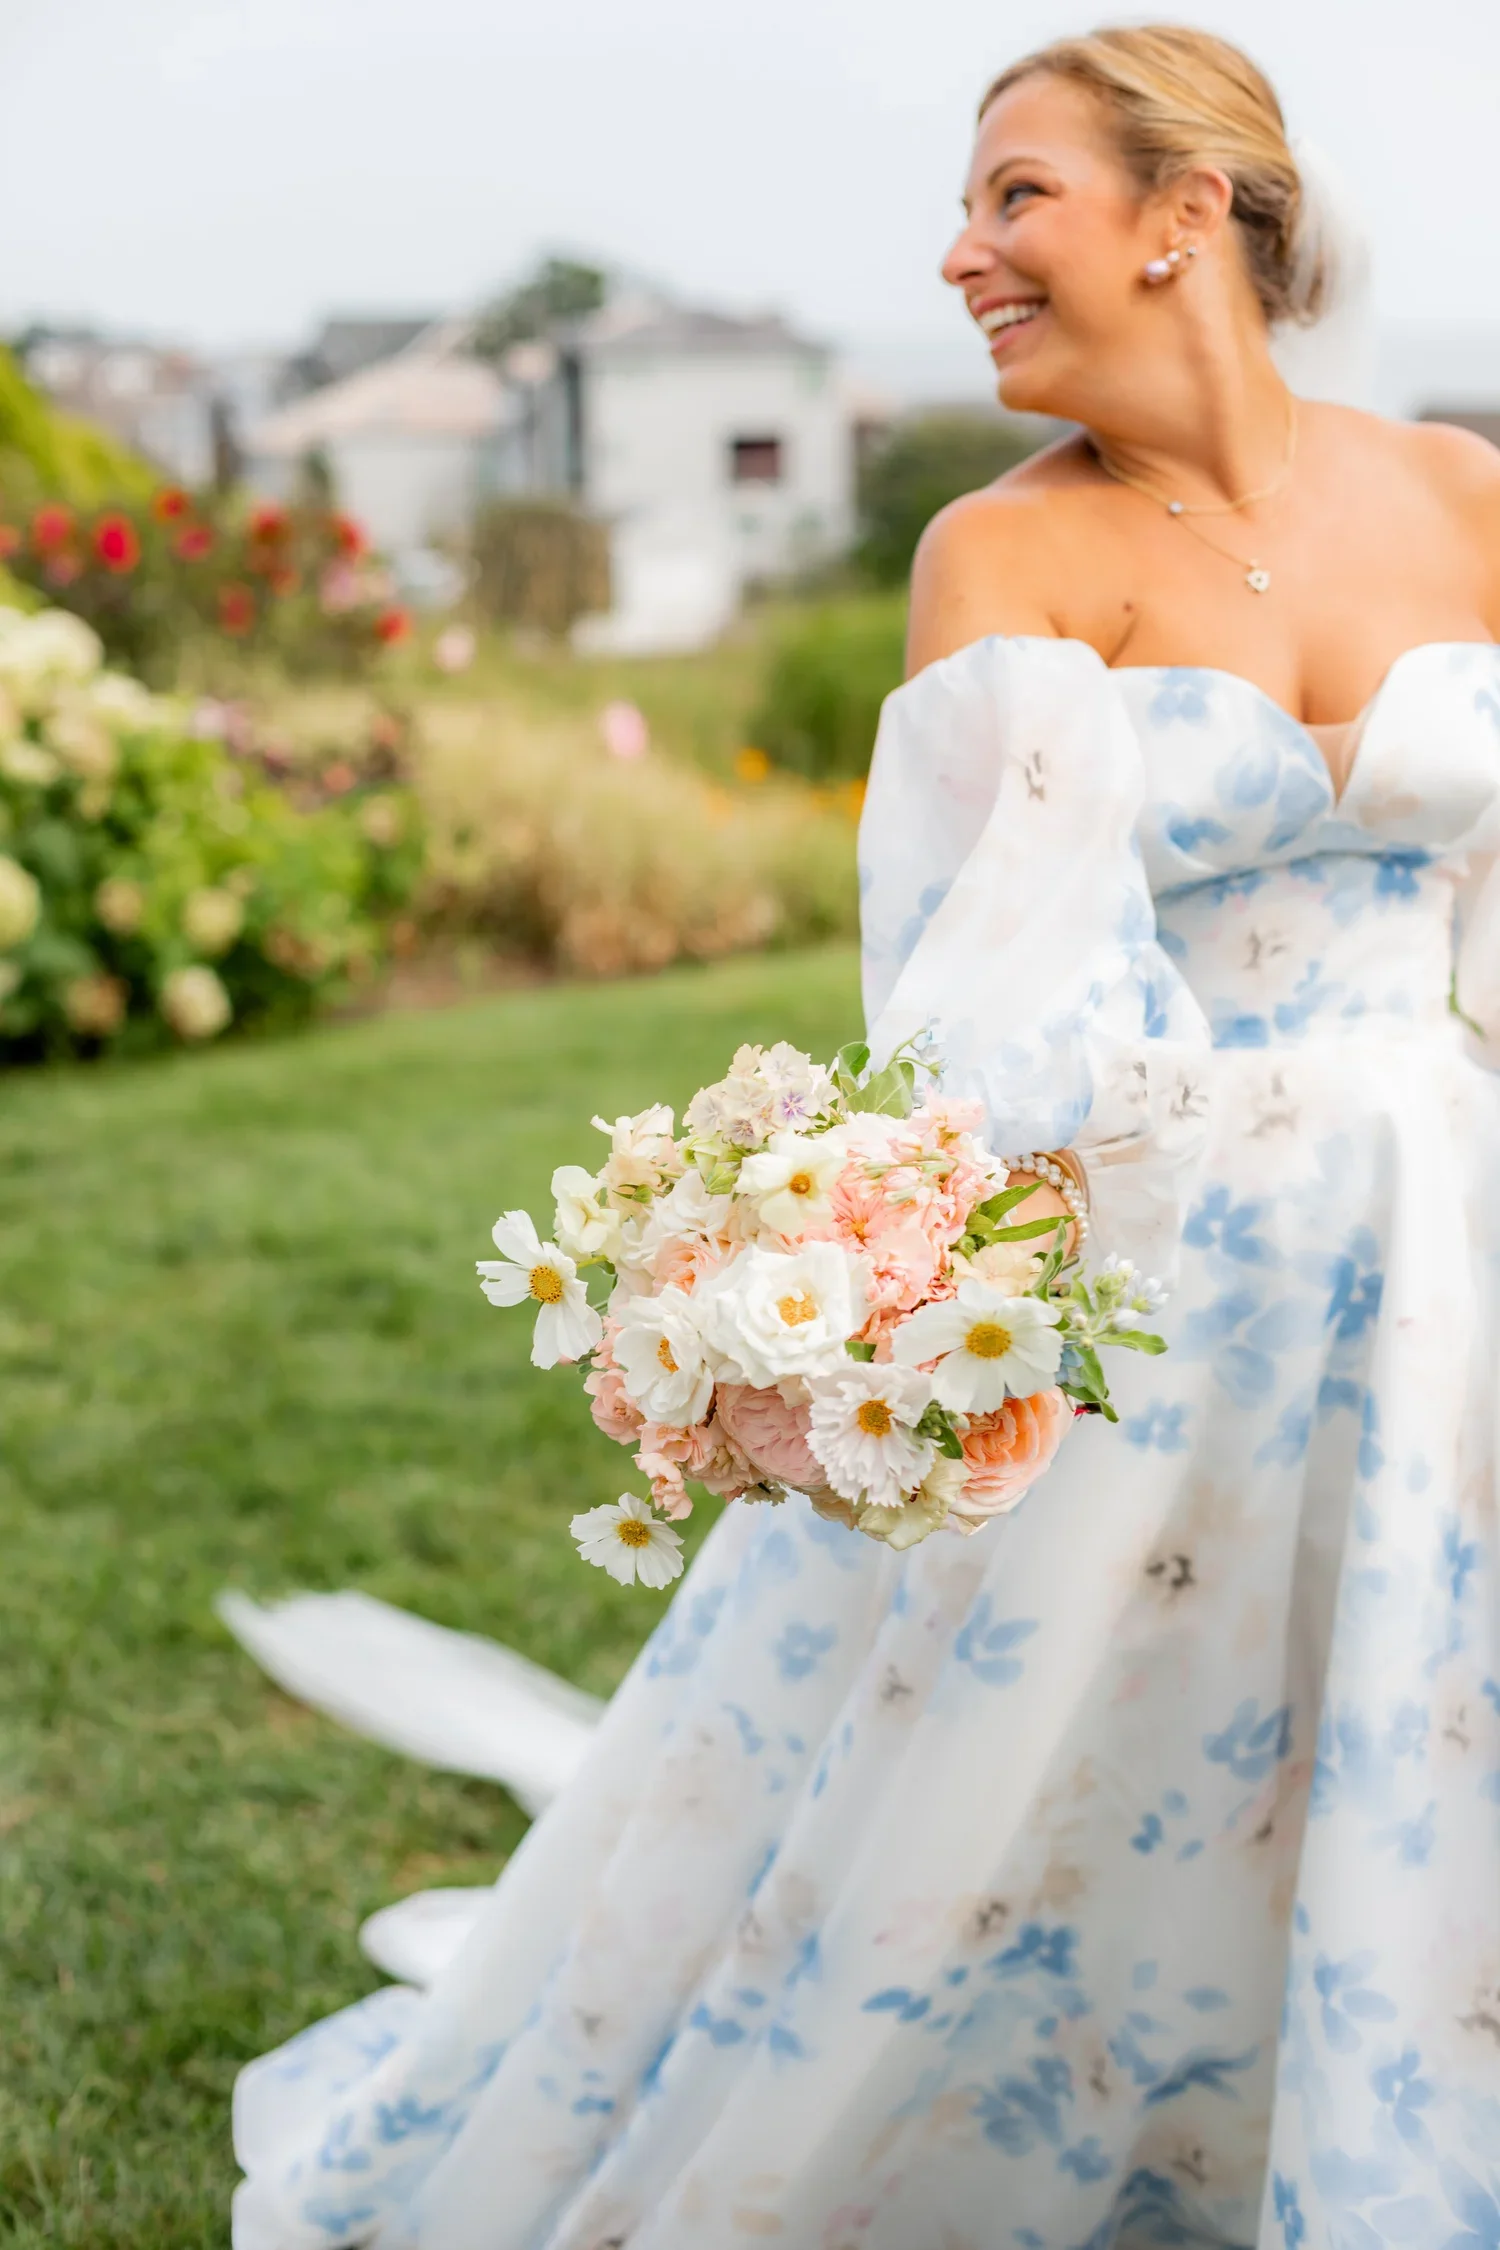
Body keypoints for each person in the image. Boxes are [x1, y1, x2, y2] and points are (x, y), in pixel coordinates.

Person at [228, 25, 1500, 2247]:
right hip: (1154, 1277)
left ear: (1188, 212)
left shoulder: (1464, 495)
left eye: (1019, 196)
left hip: (1458, 1257)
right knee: (1031, 1784)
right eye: (969, 206)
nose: (962, 254)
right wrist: (933, 1303)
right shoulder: (996, 562)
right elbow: (983, 1007)